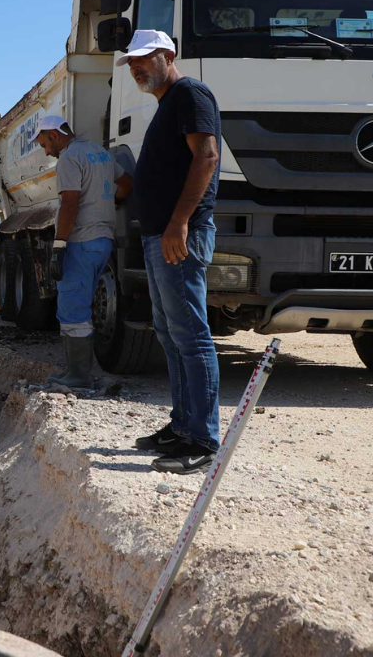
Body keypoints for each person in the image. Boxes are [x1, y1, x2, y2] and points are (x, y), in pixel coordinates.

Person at [119, 29, 223, 475]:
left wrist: (179, 222)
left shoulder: (190, 93)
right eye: (132, 62)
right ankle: (182, 426)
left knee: (191, 336)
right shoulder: (167, 103)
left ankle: (202, 438)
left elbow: (207, 157)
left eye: (144, 58)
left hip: (180, 234)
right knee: (169, 332)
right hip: (159, 233)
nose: (136, 67)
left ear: (168, 55)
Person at [31, 114, 133, 390]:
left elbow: (70, 204)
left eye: (44, 143)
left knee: (73, 306)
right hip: (102, 241)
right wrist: (107, 204)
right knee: (81, 303)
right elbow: (126, 184)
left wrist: (59, 245)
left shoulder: (69, 158)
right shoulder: (97, 152)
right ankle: (75, 372)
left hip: (81, 240)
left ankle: (79, 376)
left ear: (54, 134)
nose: (45, 150)